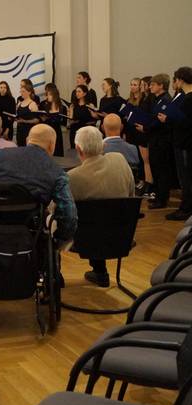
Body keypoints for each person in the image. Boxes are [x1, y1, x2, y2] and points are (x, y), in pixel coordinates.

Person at [67, 126, 135, 287]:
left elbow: (63, 214)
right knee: (100, 217)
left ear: (77, 148)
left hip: (85, 241)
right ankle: (100, 272)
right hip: (122, 235)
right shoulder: (119, 160)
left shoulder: (71, 177)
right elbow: (131, 193)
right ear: (103, 145)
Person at [162, 67, 192, 220]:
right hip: (184, 141)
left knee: (185, 177)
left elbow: (185, 122)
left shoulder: (188, 99)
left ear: (180, 79)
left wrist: (167, 119)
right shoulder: (186, 97)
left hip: (185, 143)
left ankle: (186, 209)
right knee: (185, 177)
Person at [142, 74, 173, 209]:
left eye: (153, 84)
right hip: (155, 139)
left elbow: (160, 122)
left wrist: (146, 127)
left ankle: (162, 199)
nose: (150, 86)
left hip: (162, 140)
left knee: (162, 170)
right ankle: (159, 197)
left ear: (161, 86)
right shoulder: (157, 99)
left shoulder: (166, 99)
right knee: (156, 168)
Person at [125, 77, 153, 194]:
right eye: (131, 84)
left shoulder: (144, 100)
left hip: (140, 132)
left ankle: (145, 181)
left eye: (136, 85)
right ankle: (136, 180)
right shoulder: (129, 100)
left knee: (143, 160)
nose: (133, 87)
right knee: (133, 157)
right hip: (131, 131)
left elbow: (145, 115)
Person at [40, 84, 66, 156]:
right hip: (46, 132)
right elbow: (41, 120)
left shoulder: (62, 107)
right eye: (46, 95)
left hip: (57, 132)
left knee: (57, 152)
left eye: (49, 95)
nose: (47, 97)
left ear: (54, 95)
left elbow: (64, 123)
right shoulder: (45, 106)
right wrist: (43, 119)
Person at [68, 84, 96, 149]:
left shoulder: (90, 105)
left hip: (86, 131)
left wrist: (93, 111)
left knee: (86, 149)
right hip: (75, 130)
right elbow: (70, 120)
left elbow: (95, 117)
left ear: (85, 93)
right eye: (76, 92)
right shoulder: (73, 105)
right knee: (74, 150)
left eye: (79, 91)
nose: (77, 93)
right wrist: (70, 111)